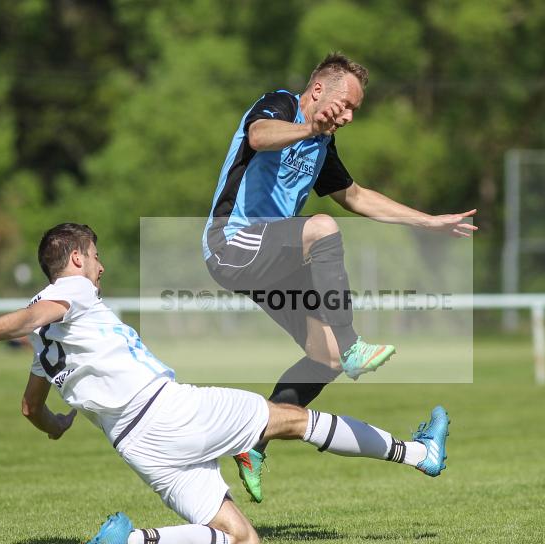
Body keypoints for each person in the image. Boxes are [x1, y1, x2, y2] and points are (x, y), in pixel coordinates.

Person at [0, 223, 451, 544]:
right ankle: (419, 452)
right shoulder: (70, 293)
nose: (101, 266)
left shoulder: (50, 343)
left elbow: (29, 407)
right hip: (170, 412)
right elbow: (35, 312)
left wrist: (59, 425)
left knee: (242, 540)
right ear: (74, 260)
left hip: (137, 449)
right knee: (290, 419)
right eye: (95, 256)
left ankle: (131, 542)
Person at [203, 52, 476, 502]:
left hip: (272, 258)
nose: (348, 115)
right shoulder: (279, 106)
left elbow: (355, 195)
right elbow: (258, 136)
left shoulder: (322, 143)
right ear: (317, 91)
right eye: (345, 104)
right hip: (231, 244)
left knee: (323, 359)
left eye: (355, 110)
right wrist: (310, 127)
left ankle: (255, 442)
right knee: (322, 228)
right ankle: (353, 345)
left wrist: (427, 221)